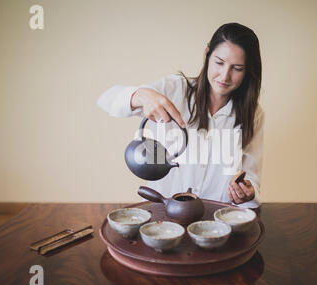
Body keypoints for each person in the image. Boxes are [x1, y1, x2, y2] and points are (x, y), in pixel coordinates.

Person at [97, 22, 264, 209]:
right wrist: (141, 96)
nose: (225, 76)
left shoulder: (254, 114)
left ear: (248, 71)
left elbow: (250, 175)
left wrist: (248, 193)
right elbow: (105, 99)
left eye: (237, 68)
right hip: (162, 216)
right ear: (207, 54)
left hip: (217, 219)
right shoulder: (174, 90)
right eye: (219, 62)